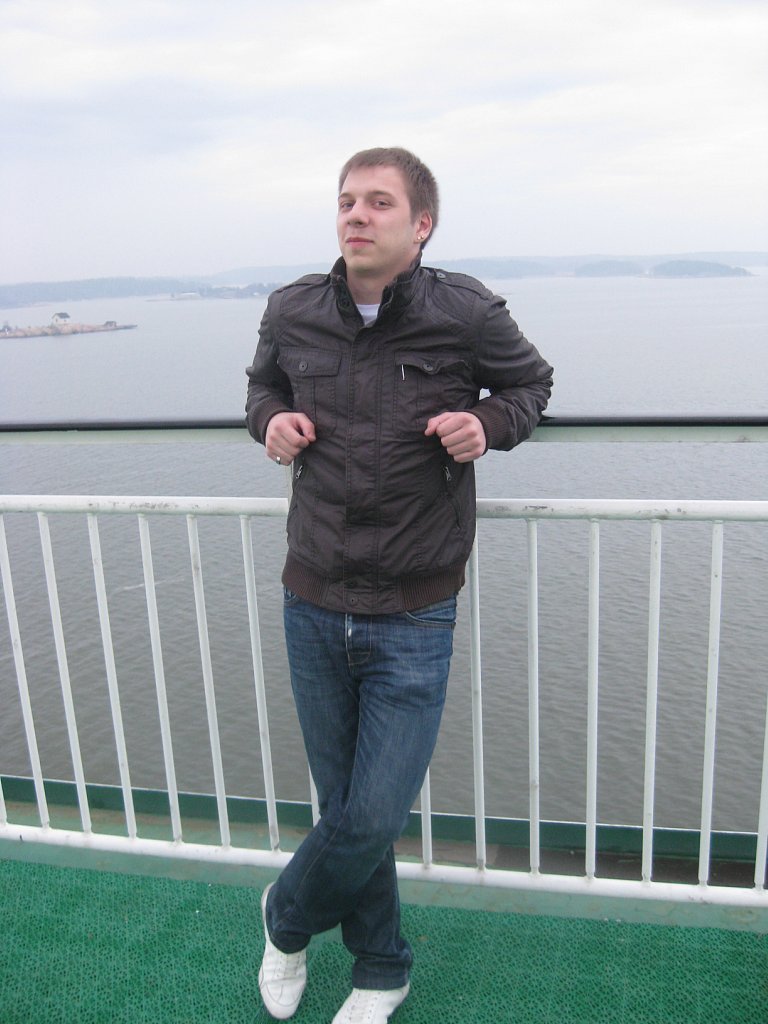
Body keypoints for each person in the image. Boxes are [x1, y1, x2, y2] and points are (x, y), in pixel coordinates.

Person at [245, 146, 553, 1023]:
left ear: (422, 225)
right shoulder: (293, 309)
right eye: (348, 200)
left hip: (416, 607)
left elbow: (531, 385)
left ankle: (285, 915)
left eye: (379, 202)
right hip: (312, 598)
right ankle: (381, 970)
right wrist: (272, 421)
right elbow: (261, 389)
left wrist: (487, 422)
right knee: (346, 807)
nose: (357, 214)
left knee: (372, 815)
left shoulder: (466, 312)